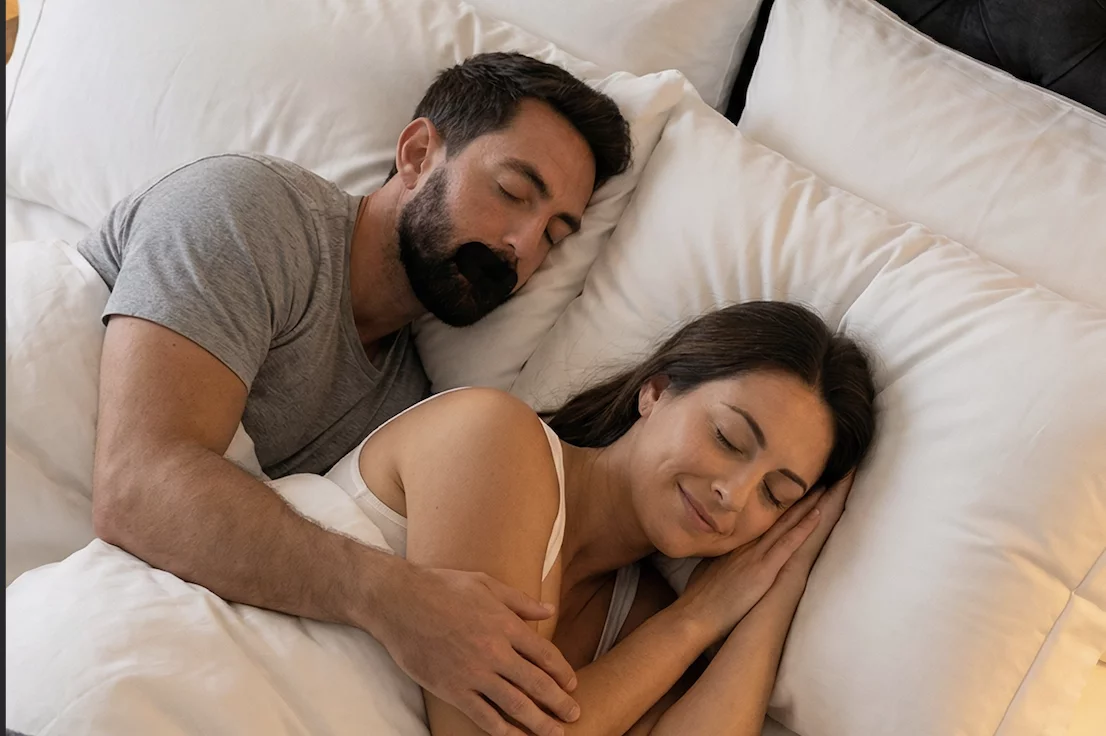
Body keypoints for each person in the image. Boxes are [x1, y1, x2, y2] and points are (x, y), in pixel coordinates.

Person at [77, 52, 632, 736]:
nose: (520, 248)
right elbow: (137, 486)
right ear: (419, 153)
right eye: (514, 192)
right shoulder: (250, 215)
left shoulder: (407, 408)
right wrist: (393, 599)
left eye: (553, 234)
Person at [321, 300, 878, 734]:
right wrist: (699, 617)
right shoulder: (495, 439)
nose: (733, 495)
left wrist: (777, 589)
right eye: (728, 439)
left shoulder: (642, 625)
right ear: (655, 393)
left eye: (775, 496)